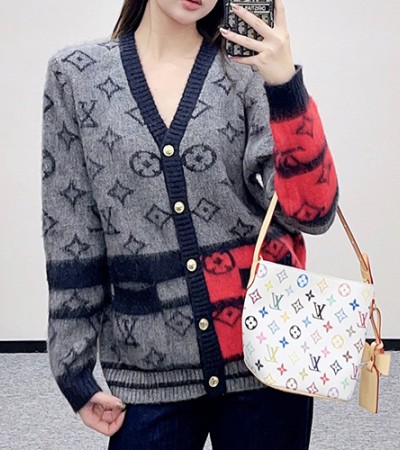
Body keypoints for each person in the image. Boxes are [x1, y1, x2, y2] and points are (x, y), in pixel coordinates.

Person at [41, 0, 338, 448]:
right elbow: (71, 228)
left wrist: (284, 85)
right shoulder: (75, 74)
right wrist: (73, 369)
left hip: (268, 355)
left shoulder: (246, 70)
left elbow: (313, 214)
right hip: (148, 367)